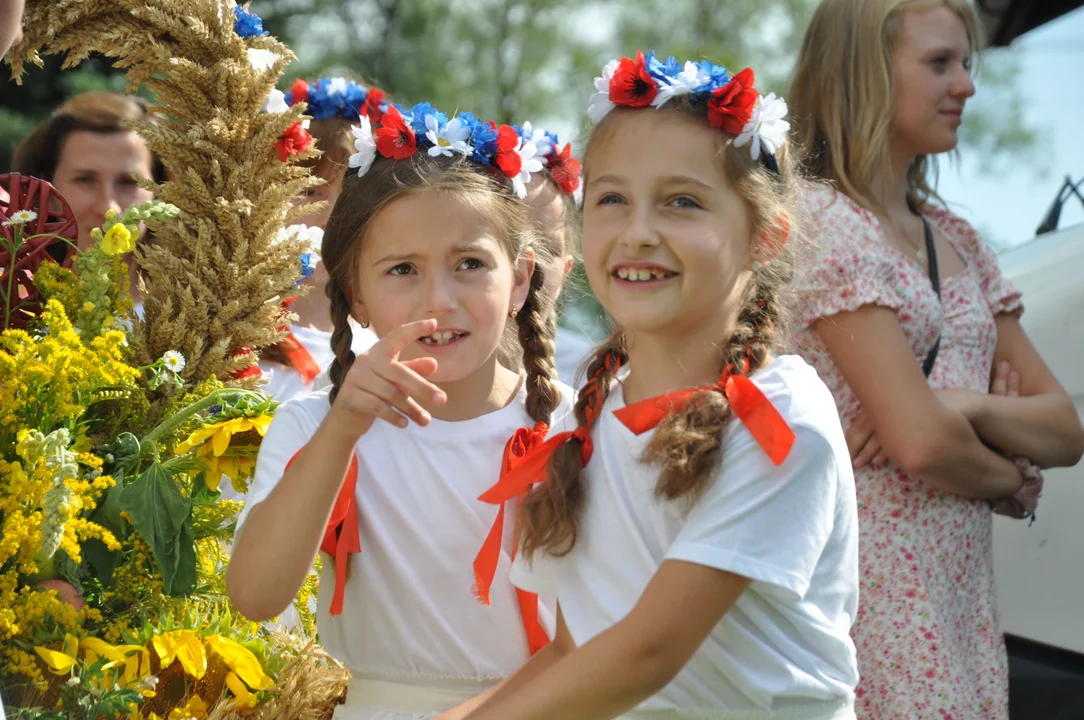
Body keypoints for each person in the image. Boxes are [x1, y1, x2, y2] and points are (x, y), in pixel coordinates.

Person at [451, 52, 860, 720]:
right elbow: (573, 653)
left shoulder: (779, 419)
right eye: (613, 199)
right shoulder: (581, 421)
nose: (639, 232)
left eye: (682, 202)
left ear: (765, 237)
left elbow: (648, 656)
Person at [227, 101, 575, 719]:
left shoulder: (572, 427)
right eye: (403, 270)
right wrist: (343, 431)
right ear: (355, 294)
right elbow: (254, 594)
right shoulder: (313, 424)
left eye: (470, 263)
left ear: (521, 280)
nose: (438, 299)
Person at [786, 1, 1084, 717]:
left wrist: (973, 408)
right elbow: (919, 442)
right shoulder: (821, 220)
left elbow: (1067, 429)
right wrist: (1007, 474)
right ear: (866, 74)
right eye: (939, 63)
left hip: (959, 605)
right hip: (870, 603)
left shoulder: (955, 235)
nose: (967, 86)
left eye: (966, 64)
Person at [259, 76, 386, 401]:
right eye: (308, 191)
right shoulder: (231, 330)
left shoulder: (396, 327)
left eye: (350, 195)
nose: (331, 215)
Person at [12, 91, 163, 305]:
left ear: (159, 190)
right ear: (47, 191)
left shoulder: (202, 313)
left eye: (129, 182)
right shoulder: (12, 309)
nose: (109, 208)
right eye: (84, 180)